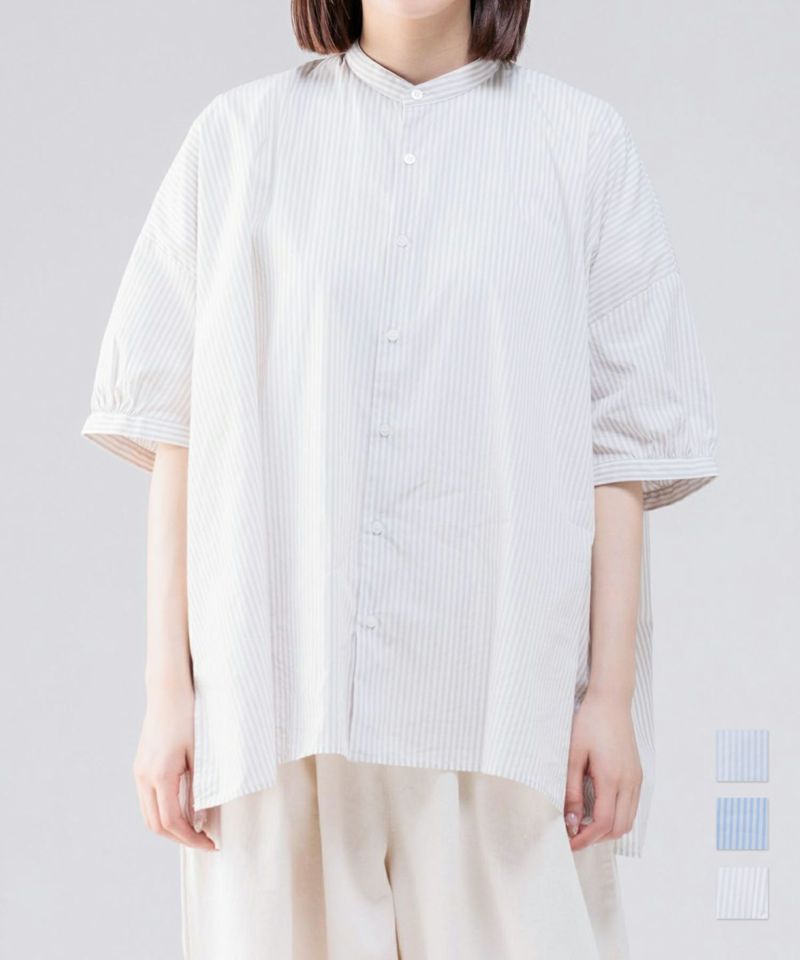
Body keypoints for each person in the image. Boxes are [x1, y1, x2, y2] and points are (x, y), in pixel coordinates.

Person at [80, 0, 720, 956]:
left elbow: (619, 447)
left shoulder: (580, 147)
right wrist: (168, 693)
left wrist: (610, 700)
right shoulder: (238, 140)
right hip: (278, 702)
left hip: (504, 704)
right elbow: (177, 430)